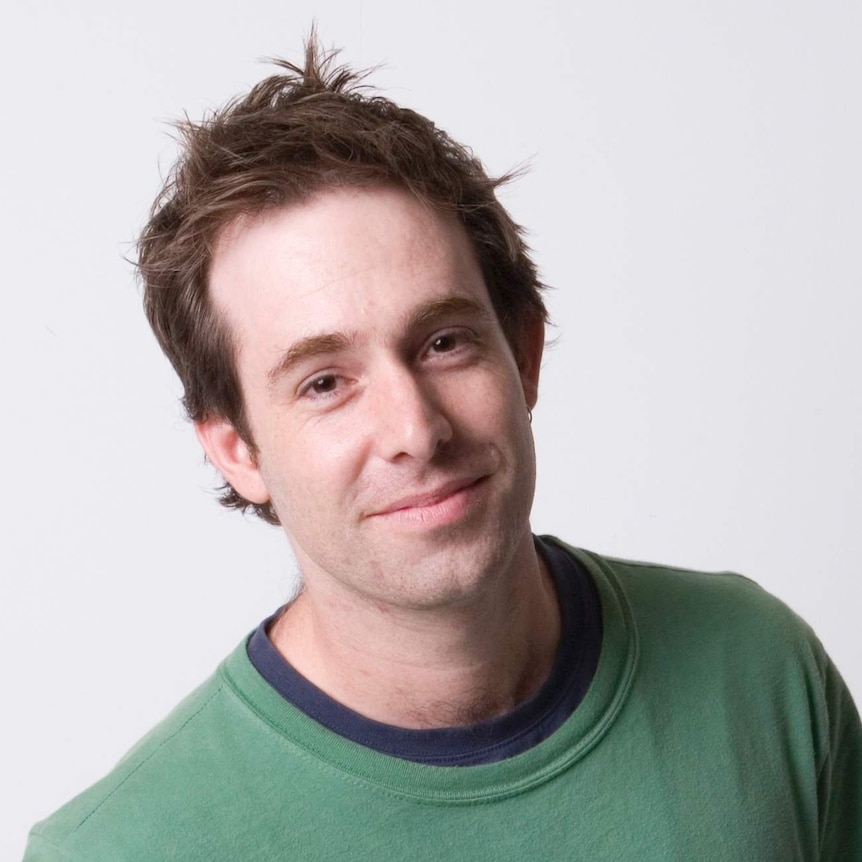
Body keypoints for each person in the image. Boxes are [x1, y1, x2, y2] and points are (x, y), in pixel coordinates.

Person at [25, 38, 861, 861]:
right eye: (325, 382)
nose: (416, 431)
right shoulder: (119, 849)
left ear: (524, 355)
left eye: (444, 342)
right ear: (237, 451)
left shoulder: (759, 670)